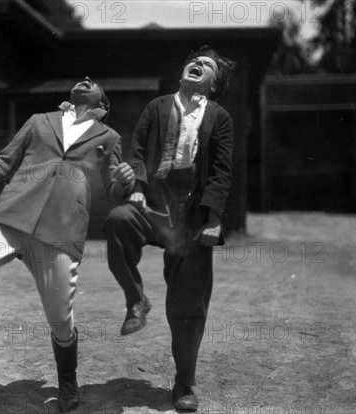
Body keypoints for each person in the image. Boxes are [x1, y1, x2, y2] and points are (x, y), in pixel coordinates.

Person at [0, 77, 134, 413]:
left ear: (102, 103)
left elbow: (114, 187)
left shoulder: (109, 137)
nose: (85, 79)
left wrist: (123, 183)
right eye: (81, 80)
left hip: (61, 228)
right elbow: (3, 162)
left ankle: (68, 381)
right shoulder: (39, 121)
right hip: (14, 212)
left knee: (60, 316)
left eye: (94, 83)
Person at [104, 47, 235, 411]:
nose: (198, 65)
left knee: (188, 303)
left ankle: (184, 383)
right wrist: (137, 190)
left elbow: (222, 172)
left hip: (192, 212)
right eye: (195, 61)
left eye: (208, 66)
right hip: (154, 201)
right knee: (118, 221)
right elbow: (136, 152)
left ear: (213, 85)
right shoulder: (157, 107)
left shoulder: (220, 118)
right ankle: (136, 301)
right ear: (183, 72)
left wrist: (213, 219)